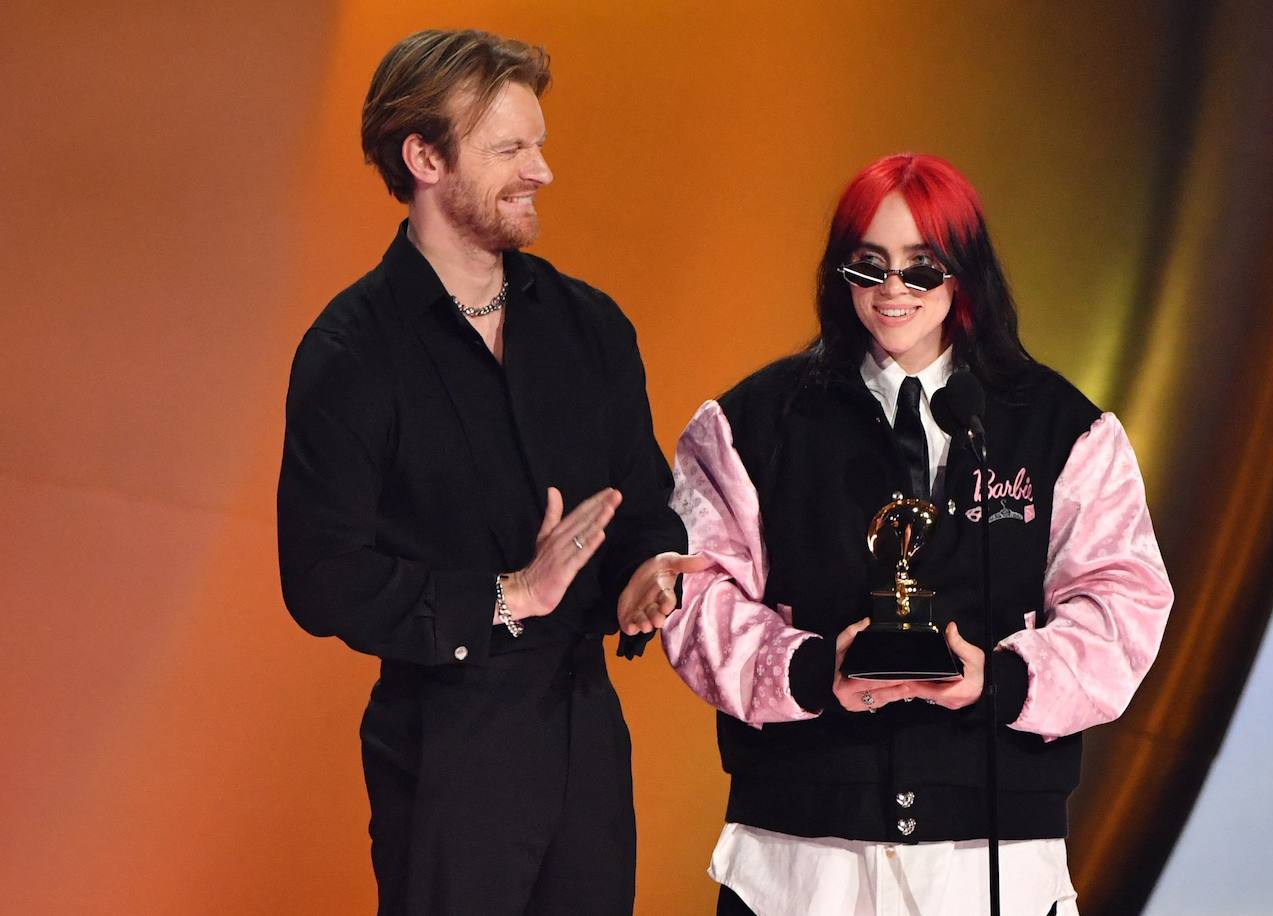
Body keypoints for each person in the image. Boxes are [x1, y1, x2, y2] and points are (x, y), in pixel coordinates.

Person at [662, 153, 1173, 915]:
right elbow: (693, 596)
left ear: (962, 273)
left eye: (920, 268)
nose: (893, 292)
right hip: (799, 861)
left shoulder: (1062, 428)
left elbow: (1123, 608)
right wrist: (808, 671)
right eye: (868, 268)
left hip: (993, 861)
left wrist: (1004, 681)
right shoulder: (754, 423)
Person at [277, 29, 698, 915]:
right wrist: (511, 594)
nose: (540, 169)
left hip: (586, 732)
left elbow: (645, 504)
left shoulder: (591, 327)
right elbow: (321, 577)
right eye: (509, 148)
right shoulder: (351, 353)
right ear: (424, 157)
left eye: (537, 142)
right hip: (446, 741)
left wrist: (646, 576)